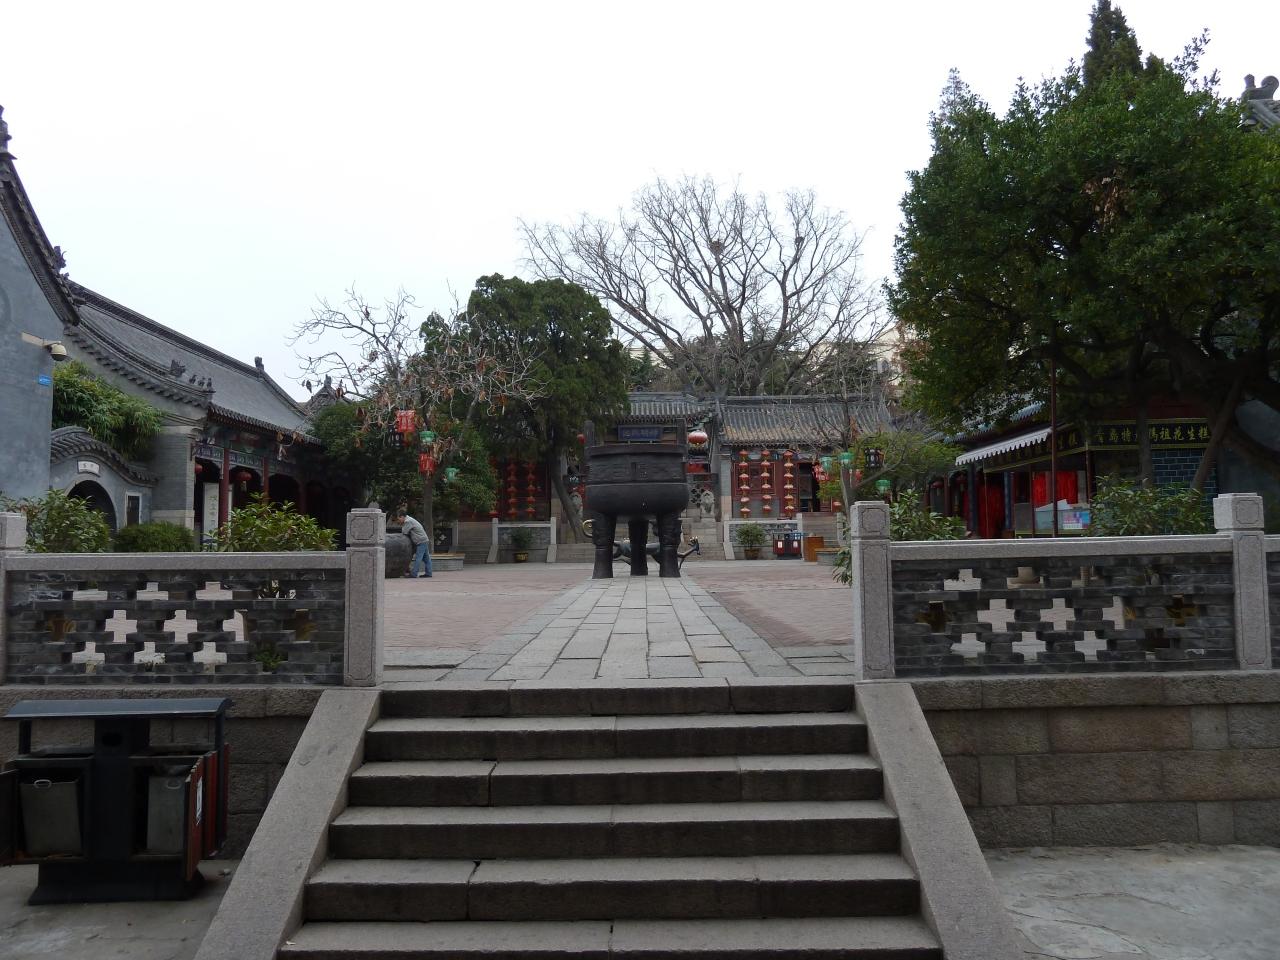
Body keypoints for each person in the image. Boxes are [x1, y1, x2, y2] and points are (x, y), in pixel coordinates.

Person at [397, 508, 432, 578]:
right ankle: (429, 573)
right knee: (426, 559)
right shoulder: (410, 519)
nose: (399, 520)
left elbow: (404, 532)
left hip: (421, 541)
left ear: (402, 516)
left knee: (418, 558)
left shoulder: (408, 521)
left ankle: (414, 573)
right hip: (424, 540)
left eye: (399, 518)